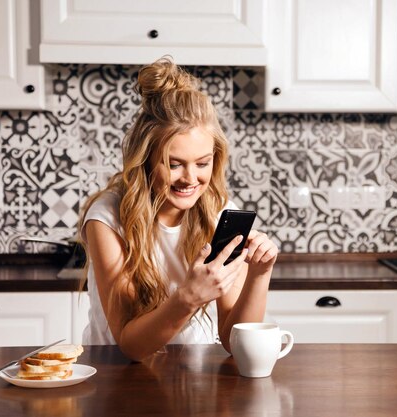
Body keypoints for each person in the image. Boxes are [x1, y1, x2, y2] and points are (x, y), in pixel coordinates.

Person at [78, 57, 278, 361]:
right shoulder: (107, 217)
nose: (189, 178)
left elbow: (231, 338)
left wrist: (260, 274)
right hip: (114, 376)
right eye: (174, 164)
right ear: (145, 159)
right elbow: (131, 345)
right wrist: (188, 298)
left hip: (194, 375)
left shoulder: (220, 212)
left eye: (202, 163)